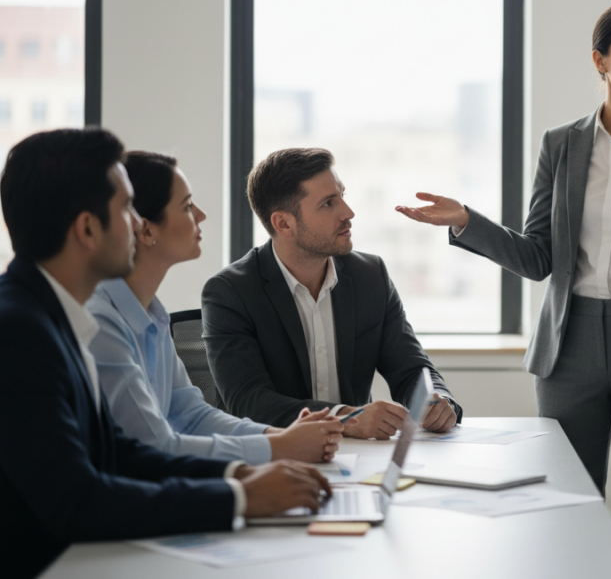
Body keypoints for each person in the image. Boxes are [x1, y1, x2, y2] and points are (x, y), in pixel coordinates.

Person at [396, 1, 611, 579]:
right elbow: (537, 257)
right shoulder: (562, 145)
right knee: (568, 516)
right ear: (600, 60)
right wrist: (465, 222)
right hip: (569, 349)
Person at [0, 128, 331, 579]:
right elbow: (78, 500)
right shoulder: (19, 332)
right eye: (124, 210)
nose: (138, 226)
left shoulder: (51, 314)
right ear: (87, 228)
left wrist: (240, 476)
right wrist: (241, 496)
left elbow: (120, 453)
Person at [87, 151, 347, 465]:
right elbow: (153, 445)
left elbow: (191, 414)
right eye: (186, 206)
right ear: (146, 230)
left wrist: (280, 437)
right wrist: (279, 448)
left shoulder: (151, 314)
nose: (200, 215)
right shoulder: (99, 320)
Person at [202, 147, 461, 436]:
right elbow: (248, 401)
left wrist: (437, 400)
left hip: (360, 458)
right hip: (275, 458)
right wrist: (346, 418)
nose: (348, 213)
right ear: (283, 223)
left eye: (342, 196)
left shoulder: (370, 276)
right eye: (328, 203)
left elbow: (412, 369)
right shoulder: (230, 292)